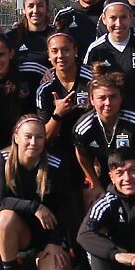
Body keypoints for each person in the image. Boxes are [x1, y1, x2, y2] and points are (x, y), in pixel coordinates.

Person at [0, 116, 73, 270]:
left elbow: (66, 206)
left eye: (39, 137)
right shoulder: (2, 159)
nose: (33, 142)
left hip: (48, 234)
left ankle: (40, 258)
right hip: (20, 232)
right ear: (16, 137)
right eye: (28, 136)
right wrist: (36, 207)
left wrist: (55, 242)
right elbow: (2, 201)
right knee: (4, 216)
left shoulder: (55, 164)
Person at [35, 30, 94, 182]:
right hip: (59, 152)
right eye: (54, 51)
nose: (60, 56)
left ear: (75, 51)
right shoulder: (45, 87)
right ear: (48, 55)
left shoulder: (92, 80)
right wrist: (58, 114)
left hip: (91, 149)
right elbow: (45, 136)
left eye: (65, 50)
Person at [82, 0, 135, 115]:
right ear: (104, 19)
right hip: (111, 115)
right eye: (113, 18)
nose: (118, 24)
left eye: (123, 17)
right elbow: (87, 82)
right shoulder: (96, 49)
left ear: (131, 18)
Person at [8, 0, 57, 67]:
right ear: (24, 9)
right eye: (30, 6)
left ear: (47, 8)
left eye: (40, 5)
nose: (35, 11)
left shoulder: (56, 36)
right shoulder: (11, 37)